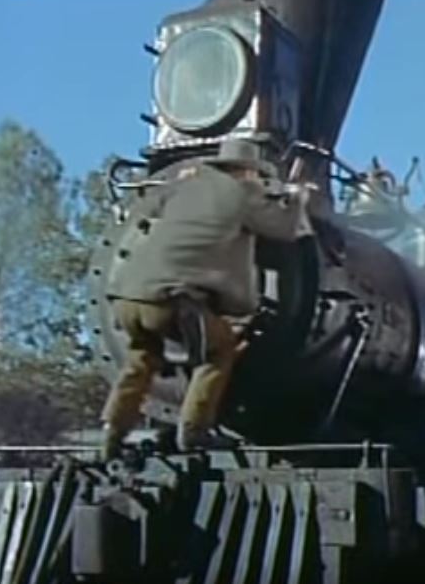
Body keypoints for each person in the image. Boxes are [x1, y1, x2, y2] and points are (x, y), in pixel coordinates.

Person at [100, 145, 312, 459]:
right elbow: (284, 229)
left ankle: (112, 434)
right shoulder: (241, 194)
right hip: (171, 298)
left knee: (140, 360)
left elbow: (144, 210)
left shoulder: (185, 184)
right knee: (219, 350)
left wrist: (178, 185)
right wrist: (296, 199)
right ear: (246, 170)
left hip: (128, 297)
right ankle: (194, 431)